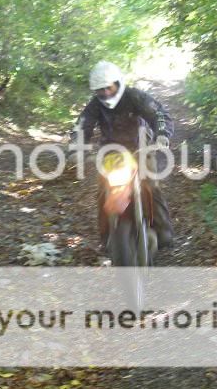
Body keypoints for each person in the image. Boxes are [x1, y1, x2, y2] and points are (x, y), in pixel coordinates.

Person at [69, 60, 174, 249]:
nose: (106, 93)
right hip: (112, 153)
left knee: (151, 184)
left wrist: (162, 135)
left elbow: (158, 113)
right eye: (101, 90)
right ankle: (107, 236)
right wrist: (76, 148)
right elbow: (81, 125)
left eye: (109, 88)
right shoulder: (95, 106)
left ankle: (163, 230)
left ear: (118, 83)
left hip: (141, 148)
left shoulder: (134, 96)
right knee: (103, 191)